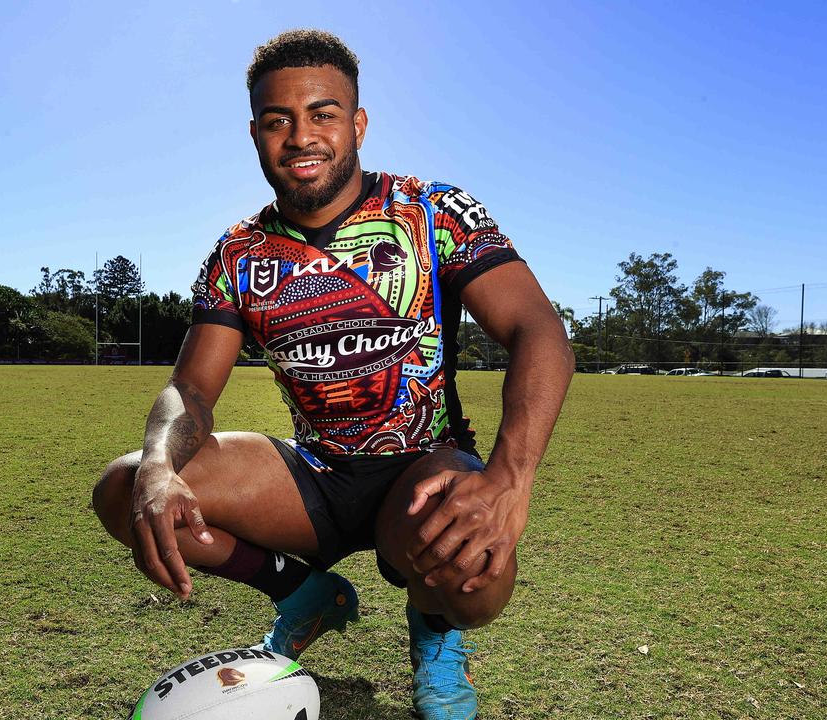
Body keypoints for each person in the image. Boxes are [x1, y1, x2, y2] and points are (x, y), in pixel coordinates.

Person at [93, 29, 573, 719]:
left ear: (358, 123)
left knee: (476, 577)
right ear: (255, 132)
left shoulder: (431, 211)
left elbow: (539, 329)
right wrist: (161, 467)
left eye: (322, 113)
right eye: (277, 120)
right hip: (313, 479)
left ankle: (434, 633)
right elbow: (191, 390)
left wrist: (509, 479)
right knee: (126, 489)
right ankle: (301, 592)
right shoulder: (238, 253)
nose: (301, 137)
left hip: (420, 471)